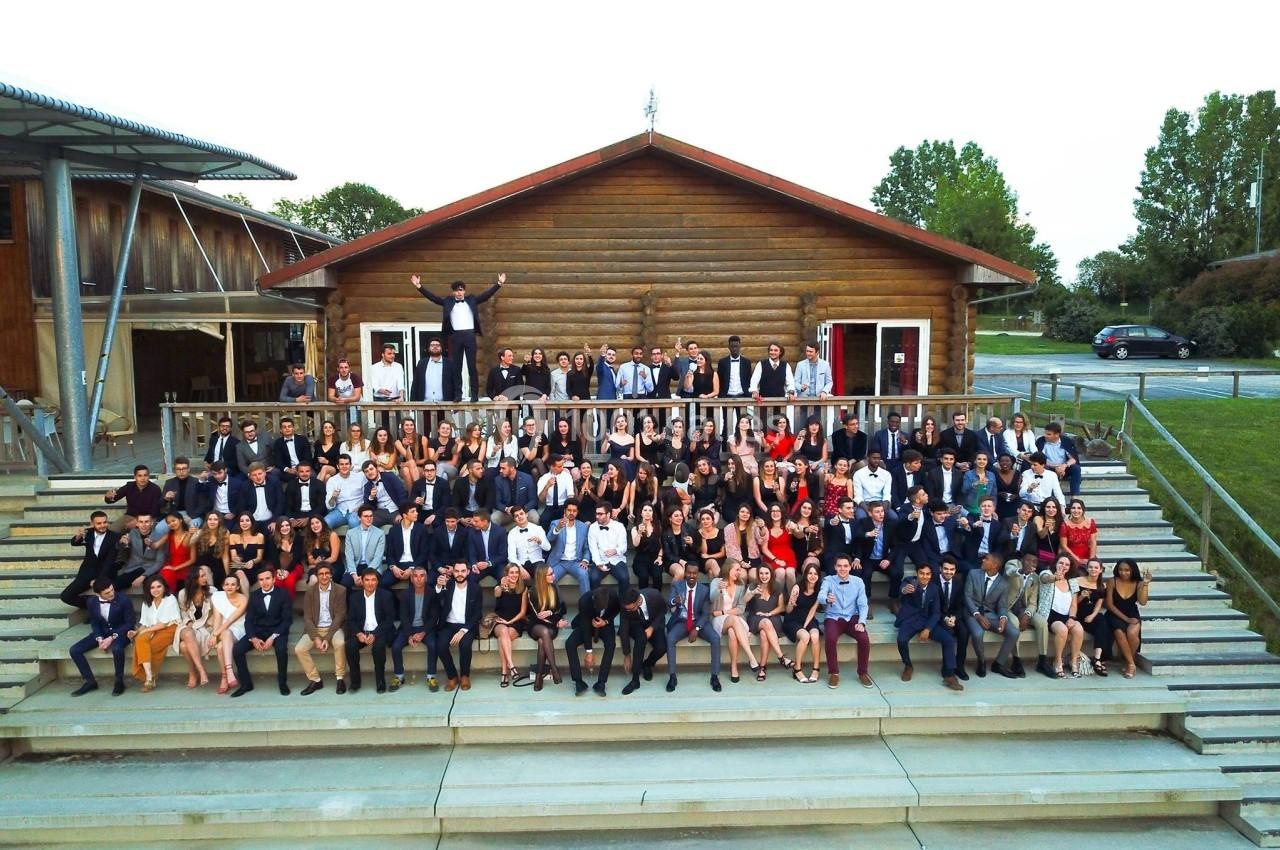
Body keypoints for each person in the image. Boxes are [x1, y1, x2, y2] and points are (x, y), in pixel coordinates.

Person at [411, 273, 504, 402]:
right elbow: (434, 298)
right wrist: (419, 286)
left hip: (469, 335)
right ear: (453, 292)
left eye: (461, 290)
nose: (459, 293)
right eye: (456, 290)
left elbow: (486, 296)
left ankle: (474, 394)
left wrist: (498, 284)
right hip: (456, 335)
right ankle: (458, 394)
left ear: (464, 291)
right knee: (457, 367)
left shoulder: (471, 300)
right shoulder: (448, 301)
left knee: (472, 366)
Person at [895, 564, 963, 690]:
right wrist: (905, 590)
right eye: (921, 573)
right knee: (901, 640)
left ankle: (949, 674)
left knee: (948, 639)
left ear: (931, 575)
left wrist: (928, 629)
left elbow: (936, 612)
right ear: (917, 573)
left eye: (927, 574)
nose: (924, 576)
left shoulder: (934, 588)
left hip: (927, 621)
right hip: (910, 620)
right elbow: (902, 589)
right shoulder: (910, 582)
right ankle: (908, 665)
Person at [231, 565, 293, 697]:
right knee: (237, 650)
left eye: (267, 578)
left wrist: (273, 637)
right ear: (258, 581)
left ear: (274, 579)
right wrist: (253, 637)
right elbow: (248, 621)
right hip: (258, 631)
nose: (264, 582)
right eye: (261, 580)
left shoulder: (283, 594)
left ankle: (282, 683)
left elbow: (287, 620)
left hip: (278, 630)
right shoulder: (254, 596)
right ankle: (246, 684)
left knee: (281, 650)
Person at [69, 578, 135, 697]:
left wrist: (112, 638)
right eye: (107, 593)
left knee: (117, 649)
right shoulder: (91, 602)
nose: (111, 593)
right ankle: (90, 682)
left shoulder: (124, 600)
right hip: (102, 632)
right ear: (97, 594)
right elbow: (94, 622)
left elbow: (130, 623)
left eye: (112, 590)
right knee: (75, 650)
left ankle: (119, 682)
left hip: (121, 632)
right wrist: (99, 638)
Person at [665, 560, 721, 692]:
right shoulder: (677, 586)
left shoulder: (704, 589)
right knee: (670, 638)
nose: (691, 575)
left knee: (715, 639)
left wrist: (696, 629)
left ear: (698, 574)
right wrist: (675, 601)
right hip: (682, 621)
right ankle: (672, 676)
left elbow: (705, 613)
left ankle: (714, 676)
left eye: (694, 573)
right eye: (689, 572)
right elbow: (669, 601)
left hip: (699, 622)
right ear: (685, 573)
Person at [818, 555, 873, 688]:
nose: (842, 569)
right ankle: (834, 673)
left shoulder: (858, 582)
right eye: (839, 566)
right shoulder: (828, 580)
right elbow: (820, 596)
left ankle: (862, 672)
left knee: (864, 639)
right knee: (830, 638)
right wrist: (827, 599)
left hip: (852, 617)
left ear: (850, 567)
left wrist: (861, 622)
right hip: (833, 617)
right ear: (835, 567)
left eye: (845, 566)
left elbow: (863, 605)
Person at [963, 553, 1021, 678]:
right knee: (978, 634)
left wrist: (1003, 618)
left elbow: (1002, 606)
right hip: (972, 613)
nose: (983, 560)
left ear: (995, 565)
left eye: (986, 559)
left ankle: (998, 664)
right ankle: (982, 661)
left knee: (1014, 632)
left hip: (990, 615)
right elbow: (967, 597)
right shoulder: (973, 573)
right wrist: (977, 615)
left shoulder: (1004, 584)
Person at [296, 563, 348, 695]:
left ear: (331, 574)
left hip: (334, 627)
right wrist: (316, 637)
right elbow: (307, 617)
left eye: (327, 573)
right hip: (315, 628)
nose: (324, 576)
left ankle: (340, 678)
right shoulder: (310, 591)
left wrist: (327, 638)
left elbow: (340, 616)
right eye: (321, 574)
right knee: (299, 649)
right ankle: (315, 679)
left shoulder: (341, 590)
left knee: (340, 643)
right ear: (317, 576)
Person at [345, 568, 396, 693]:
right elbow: (350, 620)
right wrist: (359, 633)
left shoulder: (386, 596)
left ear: (378, 582)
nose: (370, 583)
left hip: (380, 631)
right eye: (367, 580)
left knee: (378, 648)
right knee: (350, 646)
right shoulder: (354, 597)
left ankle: (380, 681)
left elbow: (389, 620)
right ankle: (355, 682)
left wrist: (375, 634)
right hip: (362, 631)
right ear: (361, 581)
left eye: (373, 580)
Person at [709, 560, 759, 682]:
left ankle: (734, 667)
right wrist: (719, 590)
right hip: (718, 620)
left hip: (734, 619)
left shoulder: (741, 585)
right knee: (732, 620)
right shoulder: (717, 582)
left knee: (732, 631)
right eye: (737, 569)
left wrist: (723, 612)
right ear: (728, 569)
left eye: (739, 570)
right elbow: (711, 599)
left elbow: (741, 608)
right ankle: (751, 657)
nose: (739, 572)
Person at [566, 586, 621, 697]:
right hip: (587, 623)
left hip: (604, 624)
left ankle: (601, 682)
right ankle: (578, 681)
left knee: (611, 644)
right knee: (569, 643)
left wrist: (605, 621)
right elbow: (585, 627)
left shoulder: (614, 595)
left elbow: (617, 609)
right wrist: (589, 651)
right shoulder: (584, 601)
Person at [435, 561, 482, 691]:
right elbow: (438, 602)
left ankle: (465, 676)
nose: (460, 574)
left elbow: (478, 613)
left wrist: (463, 631)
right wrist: (439, 587)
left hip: (467, 626)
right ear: (453, 572)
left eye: (462, 571)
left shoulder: (475, 588)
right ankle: (452, 676)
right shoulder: (447, 585)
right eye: (457, 571)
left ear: (468, 571)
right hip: (448, 624)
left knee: (465, 645)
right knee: (440, 645)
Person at [129, 575, 180, 692]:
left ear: (164, 587)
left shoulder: (170, 599)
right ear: (148, 589)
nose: (156, 590)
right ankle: (149, 677)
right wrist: (136, 632)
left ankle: (150, 677)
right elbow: (144, 624)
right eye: (152, 588)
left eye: (159, 586)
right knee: (140, 640)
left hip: (169, 629)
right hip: (152, 629)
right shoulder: (147, 602)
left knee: (148, 647)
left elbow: (163, 624)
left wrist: (145, 631)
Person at [1039, 555, 1084, 678]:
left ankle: (1074, 661)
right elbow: (1044, 578)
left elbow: (1074, 604)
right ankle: (1058, 660)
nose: (1063, 566)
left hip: (1067, 615)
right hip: (1050, 614)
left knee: (1079, 629)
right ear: (1056, 563)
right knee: (1062, 630)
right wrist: (1055, 577)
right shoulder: (1047, 573)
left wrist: (1072, 617)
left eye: (1067, 564)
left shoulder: (1072, 581)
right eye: (1061, 563)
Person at [1107, 558, 1152, 679]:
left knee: (1133, 635)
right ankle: (1131, 664)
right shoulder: (1112, 581)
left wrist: (1146, 583)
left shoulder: (1138, 583)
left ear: (1132, 570)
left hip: (1132, 612)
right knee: (1119, 632)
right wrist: (1126, 619)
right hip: (1115, 614)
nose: (1123, 573)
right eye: (1121, 570)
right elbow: (1109, 605)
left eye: (1127, 570)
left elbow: (1143, 602)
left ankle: (1127, 660)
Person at [744, 565, 791, 680]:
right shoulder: (753, 585)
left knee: (764, 634)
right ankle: (781, 657)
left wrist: (769, 614)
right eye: (761, 573)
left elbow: (781, 608)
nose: (764, 576)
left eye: (766, 573)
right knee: (765, 622)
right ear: (758, 575)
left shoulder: (777, 586)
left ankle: (762, 668)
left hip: (773, 618)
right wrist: (752, 593)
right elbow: (743, 602)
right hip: (755, 619)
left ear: (771, 574)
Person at [854, 501, 900, 615]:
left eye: (882, 511)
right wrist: (867, 534)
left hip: (883, 559)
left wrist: (888, 559)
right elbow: (857, 536)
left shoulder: (890, 524)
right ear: (870, 513)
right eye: (877, 512)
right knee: (866, 574)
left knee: (897, 573)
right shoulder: (864, 522)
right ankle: (866, 602)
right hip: (868, 559)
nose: (881, 514)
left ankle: (893, 600)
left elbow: (895, 546)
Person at [527, 563, 568, 690]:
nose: (554, 576)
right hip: (536, 627)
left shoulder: (554, 588)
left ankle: (539, 676)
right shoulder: (532, 592)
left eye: (553, 573)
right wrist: (556, 620)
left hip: (551, 627)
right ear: (542, 576)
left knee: (542, 641)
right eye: (550, 574)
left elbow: (562, 609)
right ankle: (554, 669)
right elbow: (537, 617)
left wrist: (551, 613)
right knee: (543, 632)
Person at [619, 587, 668, 695]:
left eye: (630, 609)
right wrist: (627, 655)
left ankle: (647, 664)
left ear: (638, 602)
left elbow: (663, 611)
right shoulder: (625, 606)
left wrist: (652, 627)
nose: (628, 610)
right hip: (636, 624)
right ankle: (635, 680)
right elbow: (624, 629)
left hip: (654, 623)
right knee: (640, 640)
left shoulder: (654, 595)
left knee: (662, 648)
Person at [174, 567, 216, 689]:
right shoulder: (183, 594)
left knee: (183, 646)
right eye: (201, 576)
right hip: (187, 626)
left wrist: (207, 624)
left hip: (205, 627)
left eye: (205, 575)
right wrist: (188, 622)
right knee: (187, 633)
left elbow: (215, 613)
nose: (205, 578)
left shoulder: (213, 592)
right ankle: (202, 670)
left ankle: (193, 672)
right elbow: (182, 611)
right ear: (194, 579)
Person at [784, 562, 823, 684]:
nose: (812, 576)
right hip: (793, 619)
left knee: (815, 636)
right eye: (810, 573)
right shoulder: (797, 587)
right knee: (805, 636)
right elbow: (788, 610)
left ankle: (816, 669)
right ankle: (797, 669)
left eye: (815, 574)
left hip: (809, 619)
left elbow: (813, 610)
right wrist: (791, 603)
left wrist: (806, 626)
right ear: (805, 574)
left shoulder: (819, 589)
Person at [209, 574, 248, 694]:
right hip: (222, 628)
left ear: (237, 587)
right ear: (223, 586)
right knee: (223, 637)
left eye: (233, 584)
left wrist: (216, 634)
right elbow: (217, 618)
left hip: (238, 628)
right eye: (226, 584)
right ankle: (228, 673)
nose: (229, 587)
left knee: (221, 646)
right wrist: (214, 634)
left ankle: (225, 675)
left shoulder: (243, 599)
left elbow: (231, 620)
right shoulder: (217, 596)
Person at [491, 563, 527, 687]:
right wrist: (501, 585)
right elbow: (496, 593)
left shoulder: (523, 588)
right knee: (503, 631)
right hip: (500, 621)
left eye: (516, 572)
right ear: (506, 574)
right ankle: (511, 666)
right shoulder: (500, 587)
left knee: (503, 639)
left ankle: (504, 672)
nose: (514, 575)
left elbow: (523, 612)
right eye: (511, 572)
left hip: (515, 622)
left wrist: (510, 622)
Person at [1077, 558, 1112, 677]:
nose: (1093, 569)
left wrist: (1092, 616)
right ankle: (1101, 659)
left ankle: (1097, 658)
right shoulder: (1078, 581)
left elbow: (1099, 604)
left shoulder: (1101, 585)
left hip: (1090, 616)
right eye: (1091, 567)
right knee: (1103, 626)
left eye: (1096, 567)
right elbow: (1070, 603)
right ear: (1087, 568)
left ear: (1101, 570)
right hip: (1077, 614)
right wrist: (1081, 597)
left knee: (1102, 620)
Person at [936, 556, 970, 680]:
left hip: (954, 615)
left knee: (964, 632)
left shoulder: (959, 581)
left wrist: (954, 617)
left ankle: (960, 666)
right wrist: (944, 619)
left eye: (952, 569)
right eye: (946, 569)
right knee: (948, 633)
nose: (948, 572)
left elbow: (961, 604)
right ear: (940, 569)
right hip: (938, 616)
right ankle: (947, 668)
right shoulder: (933, 581)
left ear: (955, 570)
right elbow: (932, 607)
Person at [113, 512, 165, 591]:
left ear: (152, 523)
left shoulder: (160, 537)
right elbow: (121, 549)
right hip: (133, 567)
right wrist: (121, 543)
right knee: (115, 585)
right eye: (141, 522)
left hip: (150, 568)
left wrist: (143, 576)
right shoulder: (132, 533)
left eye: (146, 522)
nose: (143, 525)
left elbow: (159, 562)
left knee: (152, 587)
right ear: (137, 523)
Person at [546, 500, 591, 590]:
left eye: (574, 511)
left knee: (584, 574)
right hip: (558, 562)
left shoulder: (583, 527)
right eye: (569, 510)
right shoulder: (556, 523)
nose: (571, 513)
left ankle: (586, 603)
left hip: (576, 562)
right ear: (564, 511)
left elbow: (586, 548)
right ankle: (558, 603)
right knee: (550, 578)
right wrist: (558, 528)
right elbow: (549, 539)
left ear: (577, 512)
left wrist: (585, 560)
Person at [104, 464, 164, 533]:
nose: (143, 478)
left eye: (145, 475)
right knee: (110, 532)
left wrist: (138, 521)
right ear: (135, 477)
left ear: (148, 476)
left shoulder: (155, 489)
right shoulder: (129, 486)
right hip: (130, 516)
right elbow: (113, 499)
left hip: (149, 518)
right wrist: (108, 497)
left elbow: (155, 511)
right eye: (140, 476)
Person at [343, 505, 389, 589]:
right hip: (356, 566)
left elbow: (378, 557)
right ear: (359, 518)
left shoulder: (380, 533)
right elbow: (349, 557)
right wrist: (355, 576)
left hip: (373, 567)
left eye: (371, 516)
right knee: (345, 583)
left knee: (378, 583)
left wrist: (365, 575)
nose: (369, 518)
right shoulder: (350, 533)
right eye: (366, 516)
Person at [587, 502, 629, 592]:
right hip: (600, 559)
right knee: (593, 578)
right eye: (596, 513)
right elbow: (593, 549)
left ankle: (624, 605)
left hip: (617, 559)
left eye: (600, 514)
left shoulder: (619, 526)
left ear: (609, 514)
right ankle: (598, 605)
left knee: (624, 578)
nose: (597, 516)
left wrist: (615, 551)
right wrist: (598, 564)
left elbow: (624, 546)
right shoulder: (592, 528)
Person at [1037, 422, 1082, 497]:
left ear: (1057, 435)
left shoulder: (1066, 441)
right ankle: (1050, 498)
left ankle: (1075, 497)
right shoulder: (1041, 441)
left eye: (1048, 434)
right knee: (1046, 470)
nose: (1045, 436)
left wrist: (1064, 465)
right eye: (1045, 433)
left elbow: (1073, 459)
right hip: (1049, 467)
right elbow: (1040, 460)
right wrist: (1056, 467)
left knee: (1076, 468)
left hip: (1063, 468)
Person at [155, 513, 196, 593]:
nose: (171, 524)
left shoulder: (190, 535)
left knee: (168, 573)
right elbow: (156, 545)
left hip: (184, 568)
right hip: (171, 567)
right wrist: (148, 542)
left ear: (180, 520)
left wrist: (175, 568)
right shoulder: (169, 535)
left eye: (173, 521)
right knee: (165, 574)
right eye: (169, 523)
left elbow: (192, 560)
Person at [792, 342, 832, 422]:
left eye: (810, 351)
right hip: (803, 401)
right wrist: (801, 387)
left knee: (818, 425)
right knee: (803, 425)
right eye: (807, 351)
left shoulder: (825, 364)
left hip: (819, 401)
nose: (808, 353)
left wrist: (824, 391)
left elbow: (829, 382)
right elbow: (795, 382)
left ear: (817, 352)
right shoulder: (800, 365)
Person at [228, 512, 265, 596]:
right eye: (242, 521)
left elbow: (259, 557)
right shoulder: (233, 536)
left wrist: (252, 561)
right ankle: (247, 603)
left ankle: (246, 603)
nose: (244, 523)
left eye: (247, 520)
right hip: (237, 565)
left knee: (242, 573)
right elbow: (233, 556)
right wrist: (237, 560)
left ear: (252, 522)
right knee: (239, 572)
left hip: (253, 565)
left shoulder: (259, 536)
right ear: (238, 523)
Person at [361, 458, 407, 527]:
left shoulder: (390, 477)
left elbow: (402, 494)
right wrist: (371, 497)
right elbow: (367, 507)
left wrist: (402, 513)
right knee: (367, 523)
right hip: (380, 513)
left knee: (402, 524)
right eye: (366, 471)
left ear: (377, 468)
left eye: (371, 469)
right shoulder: (367, 486)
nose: (370, 472)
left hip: (395, 510)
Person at [410, 337, 456, 404]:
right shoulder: (422, 363)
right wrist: (412, 402)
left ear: (441, 348)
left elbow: (456, 382)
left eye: (437, 345)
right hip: (424, 405)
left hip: (445, 405)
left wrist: (457, 398)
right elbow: (415, 383)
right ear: (428, 348)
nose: (435, 347)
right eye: (432, 345)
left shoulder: (449, 363)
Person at [324, 455, 365, 529]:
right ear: (337, 466)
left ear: (350, 465)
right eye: (341, 464)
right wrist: (333, 497)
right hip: (340, 511)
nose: (344, 466)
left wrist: (361, 507)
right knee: (326, 522)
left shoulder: (360, 477)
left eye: (347, 464)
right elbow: (329, 506)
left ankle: (356, 541)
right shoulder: (332, 481)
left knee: (354, 521)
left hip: (356, 510)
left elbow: (367, 496)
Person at [160, 457, 202, 526]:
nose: (181, 471)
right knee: (159, 528)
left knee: (193, 527)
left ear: (189, 469)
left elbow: (202, 505)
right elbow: (160, 504)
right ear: (175, 470)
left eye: (184, 469)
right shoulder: (169, 483)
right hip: (174, 515)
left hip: (193, 515)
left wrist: (192, 516)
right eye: (178, 469)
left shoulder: (197, 482)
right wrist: (165, 498)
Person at [1061, 498, 1098, 570]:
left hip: (1087, 553)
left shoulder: (1090, 522)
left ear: (1083, 510)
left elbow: (1093, 542)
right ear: (1070, 510)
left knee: (1095, 568)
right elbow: (1064, 545)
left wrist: (1091, 559)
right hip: (1071, 554)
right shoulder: (1064, 524)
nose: (1076, 510)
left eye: (1079, 508)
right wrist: (1078, 560)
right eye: (1073, 508)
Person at [368, 344, 407, 409]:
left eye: (393, 354)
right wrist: (380, 390)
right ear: (382, 354)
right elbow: (373, 384)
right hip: (379, 400)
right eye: (389, 354)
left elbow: (400, 383)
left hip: (395, 400)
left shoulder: (398, 366)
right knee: (380, 419)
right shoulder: (374, 367)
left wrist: (401, 397)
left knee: (397, 419)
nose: (392, 356)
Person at [304, 515, 340, 582]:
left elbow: (334, 558)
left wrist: (318, 564)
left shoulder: (332, 535)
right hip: (317, 567)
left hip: (333, 565)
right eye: (312, 524)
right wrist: (315, 562)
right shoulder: (309, 539)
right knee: (313, 579)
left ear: (322, 523)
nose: (315, 525)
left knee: (326, 578)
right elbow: (310, 559)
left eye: (317, 522)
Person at [716, 335, 752, 400]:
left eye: (736, 346)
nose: (735, 349)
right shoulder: (722, 362)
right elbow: (720, 379)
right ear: (729, 347)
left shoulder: (746, 362)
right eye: (732, 346)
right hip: (726, 396)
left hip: (743, 395)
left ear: (739, 347)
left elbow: (749, 379)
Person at [1034, 498, 1065, 569]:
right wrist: (1046, 527)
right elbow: (1041, 535)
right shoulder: (1038, 518)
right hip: (1040, 556)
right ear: (1044, 508)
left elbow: (1061, 544)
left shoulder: (1060, 521)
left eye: (1054, 507)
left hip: (1055, 556)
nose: (1051, 510)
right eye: (1048, 507)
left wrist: (1058, 559)